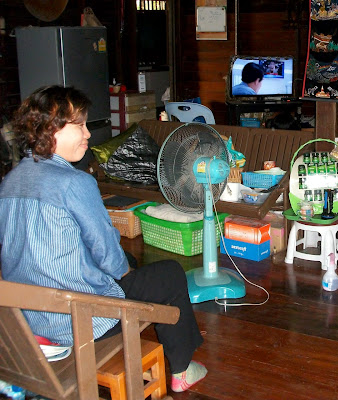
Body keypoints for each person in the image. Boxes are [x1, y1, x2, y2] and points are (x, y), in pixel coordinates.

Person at [0, 86, 208, 392]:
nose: (87, 134)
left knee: (132, 262)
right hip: (78, 317)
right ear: (49, 129)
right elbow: (110, 260)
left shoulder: (9, 181)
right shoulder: (75, 183)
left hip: (26, 315)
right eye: (79, 125)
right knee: (169, 274)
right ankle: (181, 369)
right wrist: (125, 275)